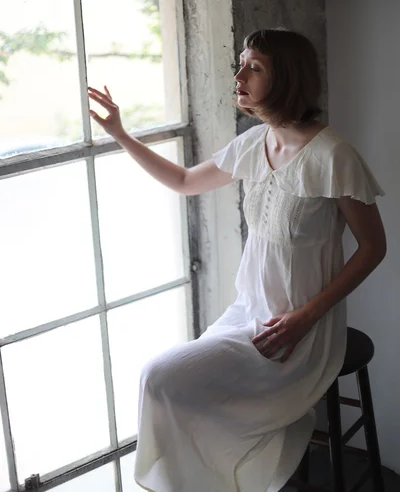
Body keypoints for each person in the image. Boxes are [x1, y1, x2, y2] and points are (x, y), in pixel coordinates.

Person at [88, 28, 386, 492]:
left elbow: (373, 248)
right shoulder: (254, 142)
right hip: (246, 315)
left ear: (285, 78)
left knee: (161, 377)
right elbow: (186, 180)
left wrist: (304, 318)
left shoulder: (334, 156)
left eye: (255, 66)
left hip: (301, 331)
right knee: (164, 383)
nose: (239, 74)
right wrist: (121, 134)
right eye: (242, 62)